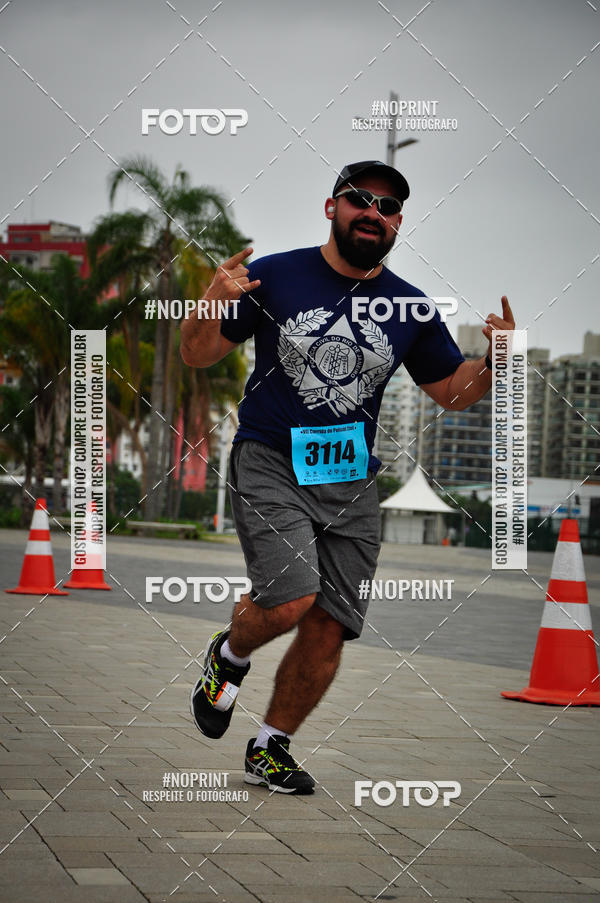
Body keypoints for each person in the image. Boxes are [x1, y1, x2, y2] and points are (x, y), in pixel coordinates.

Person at [180, 159, 515, 795]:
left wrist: (495, 363)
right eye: (361, 199)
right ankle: (229, 656)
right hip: (270, 458)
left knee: (330, 622)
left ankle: (270, 747)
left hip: (350, 477)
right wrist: (207, 303)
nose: (374, 212)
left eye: (389, 208)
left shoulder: (410, 306)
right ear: (331, 207)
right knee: (291, 598)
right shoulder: (275, 275)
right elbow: (198, 354)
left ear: (397, 225)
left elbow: (449, 390)